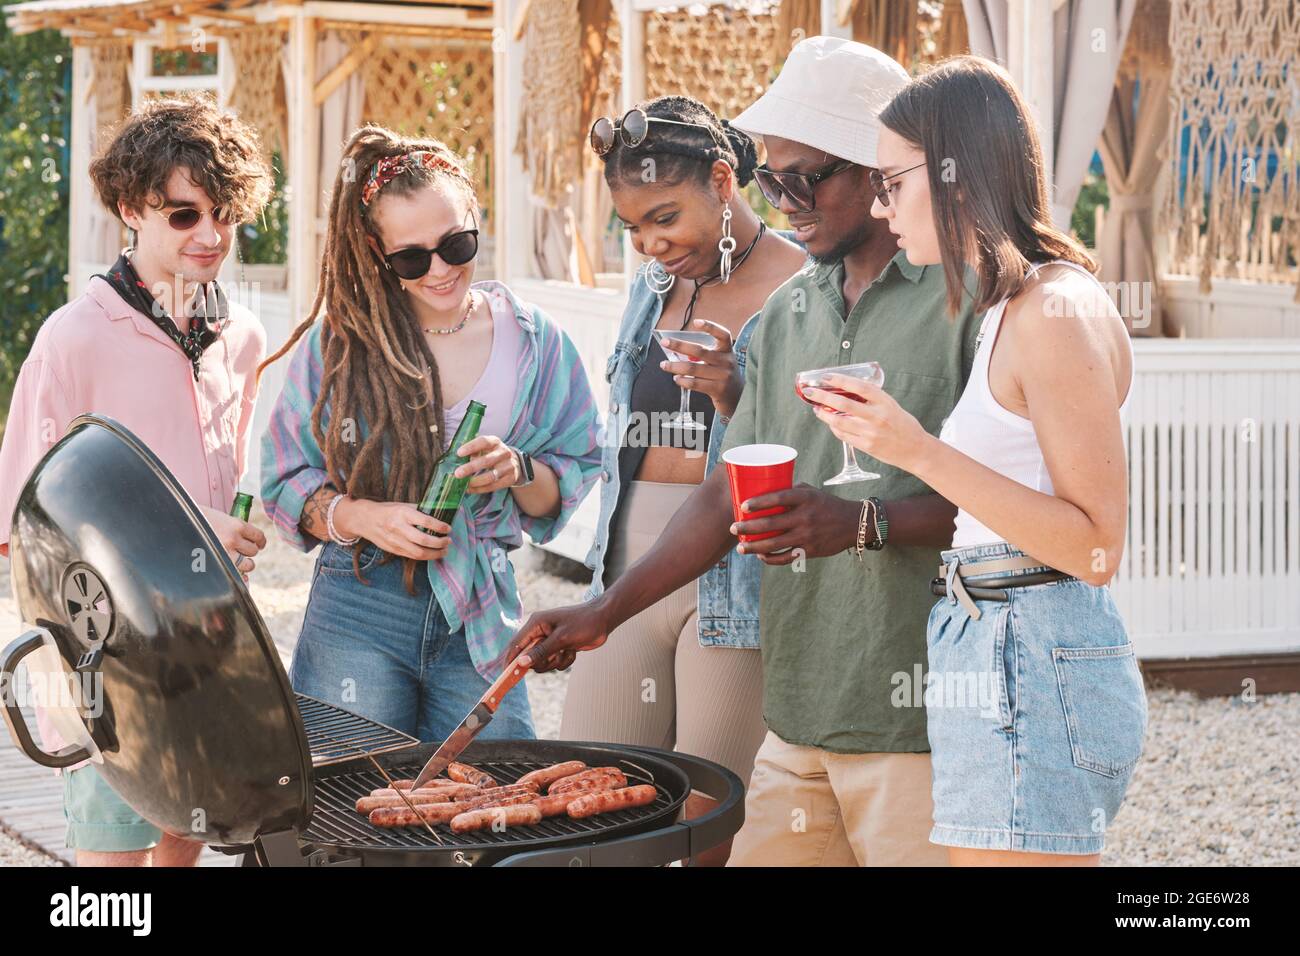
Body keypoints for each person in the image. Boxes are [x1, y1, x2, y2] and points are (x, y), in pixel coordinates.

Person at [506, 36, 981, 866]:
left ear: (886, 172)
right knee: (595, 825)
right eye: (776, 175)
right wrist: (599, 608)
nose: (787, 195)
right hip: (724, 639)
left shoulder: (960, 298)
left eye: (809, 176)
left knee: (704, 833)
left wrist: (856, 517)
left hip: (866, 675)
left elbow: (1005, 504)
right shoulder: (773, 306)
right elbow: (713, 489)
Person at [803, 54, 1147, 865]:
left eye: (892, 181)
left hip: (1025, 648)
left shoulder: (1051, 312)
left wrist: (914, 450)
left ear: (957, 172)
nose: (882, 207)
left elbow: (1096, 546)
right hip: (994, 641)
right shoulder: (1012, 305)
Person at [259, 126, 600, 743]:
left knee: (497, 800)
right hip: (360, 600)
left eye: (457, 244)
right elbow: (284, 484)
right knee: (352, 807)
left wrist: (519, 471)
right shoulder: (340, 347)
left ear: (476, 217)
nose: (440, 271)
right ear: (375, 250)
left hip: (479, 609)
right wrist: (364, 516)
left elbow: (562, 486)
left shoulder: (534, 341)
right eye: (412, 258)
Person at [0, 94, 272, 865]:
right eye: (183, 215)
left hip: (208, 641)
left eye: (225, 213)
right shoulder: (72, 338)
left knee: (184, 844)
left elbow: (229, 481)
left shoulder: (243, 335)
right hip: (104, 657)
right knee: (112, 883)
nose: (211, 235)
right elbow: (27, 529)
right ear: (130, 208)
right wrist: (184, 531)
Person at [569, 94, 807, 865]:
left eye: (665, 218)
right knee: (585, 807)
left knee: (707, 830)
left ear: (722, 178)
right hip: (631, 571)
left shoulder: (802, 288)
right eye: (633, 226)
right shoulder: (649, 289)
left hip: (733, 580)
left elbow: (819, 452)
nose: (650, 244)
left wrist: (736, 391)